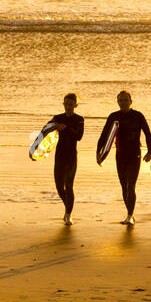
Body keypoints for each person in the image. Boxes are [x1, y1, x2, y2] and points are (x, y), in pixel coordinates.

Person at [97, 90, 151, 227]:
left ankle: (130, 215)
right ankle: (129, 213)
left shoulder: (138, 116)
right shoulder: (113, 117)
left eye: (126, 100)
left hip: (135, 154)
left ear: (131, 101)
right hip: (120, 155)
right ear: (118, 102)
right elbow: (104, 135)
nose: (123, 103)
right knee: (123, 186)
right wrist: (98, 153)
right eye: (121, 100)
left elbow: (148, 134)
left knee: (131, 185)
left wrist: (150, 151)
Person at [49, 92, 84, 225]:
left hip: (71, 156)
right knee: (59, 187)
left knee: (69, 185)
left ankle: (68, 215)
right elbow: (45, 130)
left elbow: (79, 136)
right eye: (66, 104)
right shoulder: (57, 118)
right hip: (59, 155)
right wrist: (54, 126)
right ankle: (67, 207)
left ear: (76, 105)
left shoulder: (79, 119)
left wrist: (65, 128)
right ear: (63, 104)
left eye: (71, 105)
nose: (68, 107)